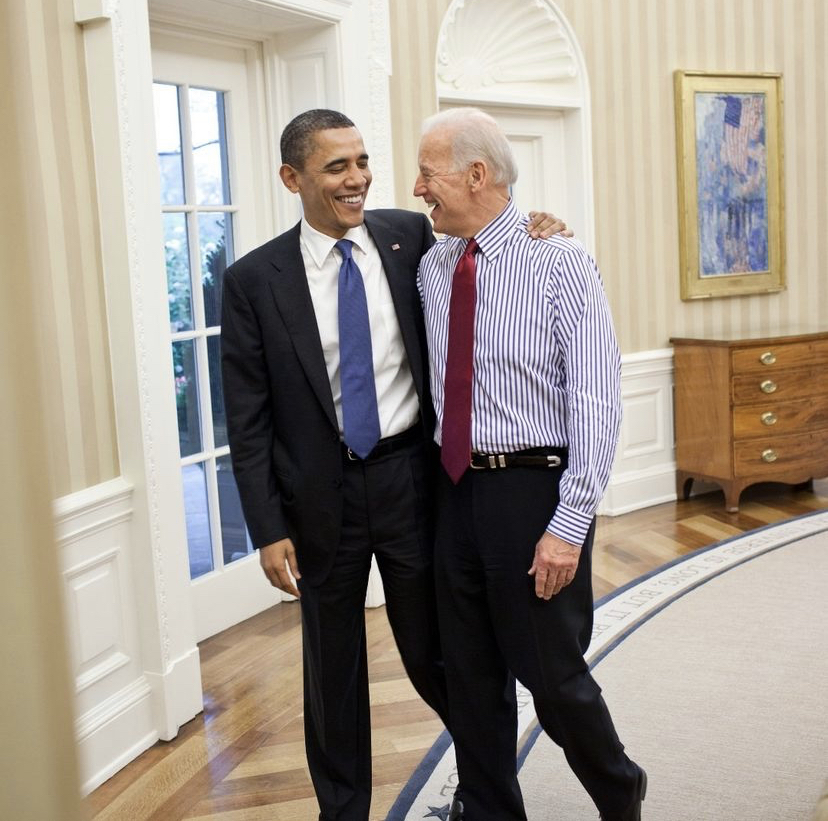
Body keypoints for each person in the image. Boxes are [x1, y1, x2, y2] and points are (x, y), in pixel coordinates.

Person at [220, 108, 565, 821]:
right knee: (334, 675)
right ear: (293, 178)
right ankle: (341, 811)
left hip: (414, 481)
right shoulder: (255, 280)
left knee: (449, 657)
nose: (360, 179)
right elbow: (246, 420)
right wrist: (267, 527)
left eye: (362, 160)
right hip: (320, 500)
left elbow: (486, 229)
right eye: (337, 167)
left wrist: (538, 225)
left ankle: (489, 799)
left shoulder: (411, 238)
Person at [414, 107, 647, 821]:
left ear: (477, 174)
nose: (417, 188)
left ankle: (619, 789)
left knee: (551, 674)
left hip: (533, 491)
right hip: (452, 492)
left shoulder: (562, 262)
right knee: (469, 677)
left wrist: (569, 523)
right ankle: (487, 809)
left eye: (429, 173)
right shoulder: (429, 266)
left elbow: (597, 401)